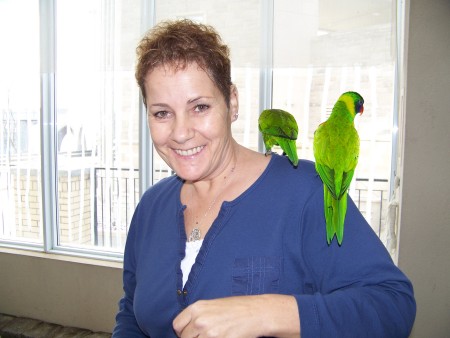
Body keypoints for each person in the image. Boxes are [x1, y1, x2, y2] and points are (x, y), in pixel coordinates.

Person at [112, 19, 416, 338]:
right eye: (162, 113)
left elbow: (392, 306)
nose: (181, 132)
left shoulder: (306, 192)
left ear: (232, 103)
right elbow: (132, 310)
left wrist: (264, 312)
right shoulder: (150, 206)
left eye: (199, 107)